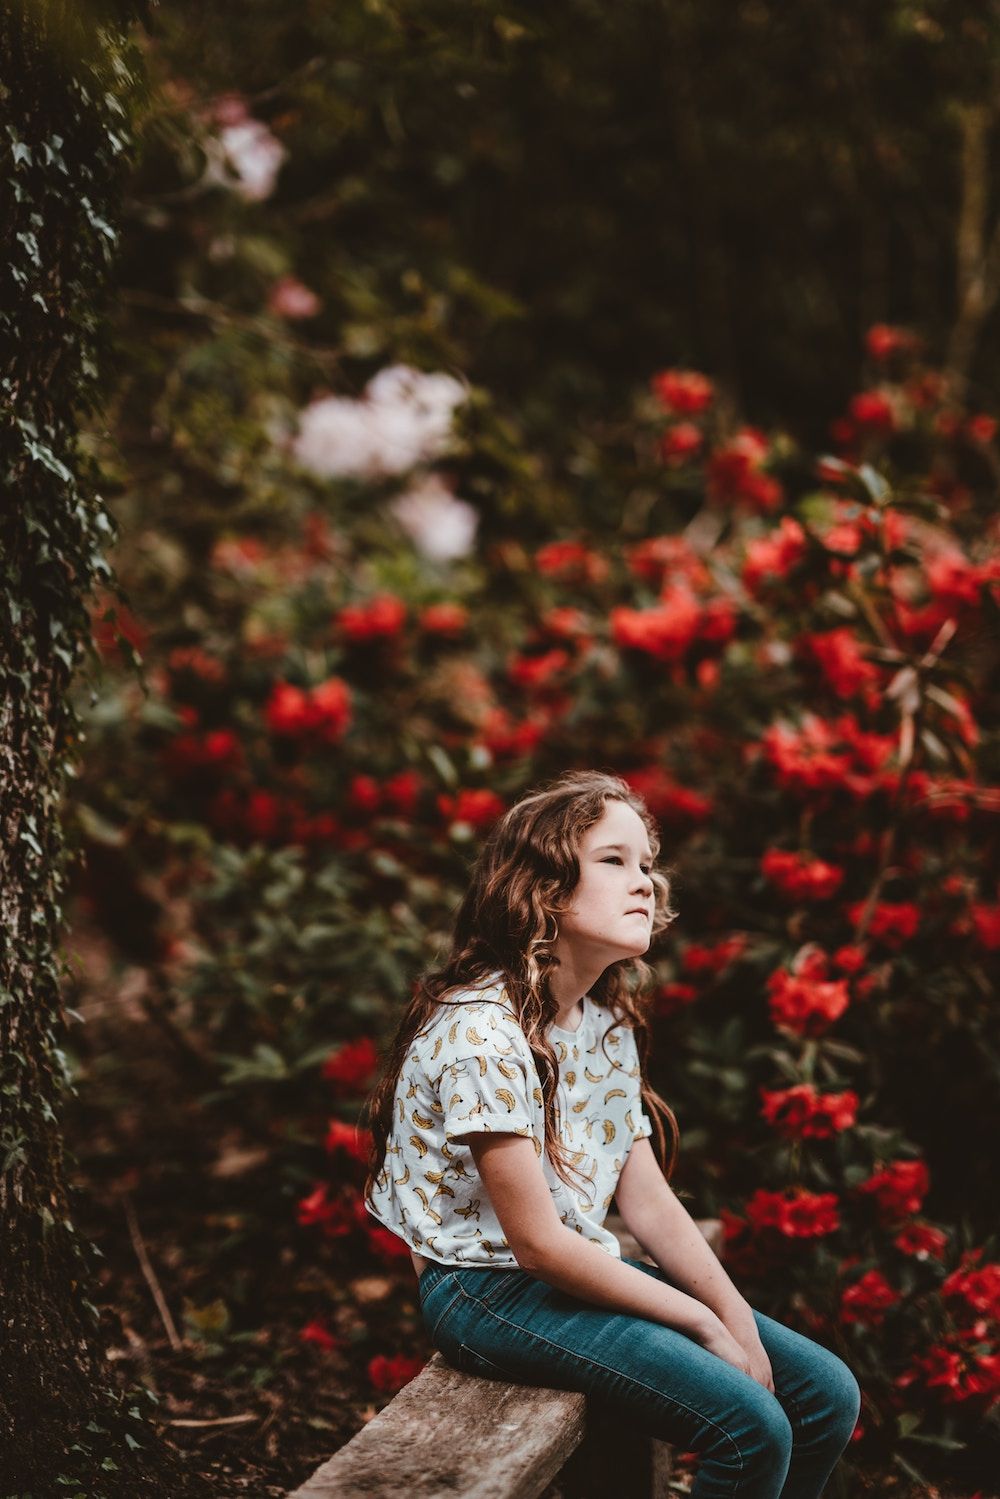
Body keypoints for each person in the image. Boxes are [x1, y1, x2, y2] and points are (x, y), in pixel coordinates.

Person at [362, 768, 860, 1497]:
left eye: (649, 866)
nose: (645, 884)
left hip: (569, 1271)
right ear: (545, 886)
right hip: (483, 1292)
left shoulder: (603, 1024)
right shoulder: (482, 1031)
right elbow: (534, 1244)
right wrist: (703, 1324)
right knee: (750, 1427)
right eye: (614, 860)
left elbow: (649, 1201)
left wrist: (732, 1317)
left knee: (824, 1396)